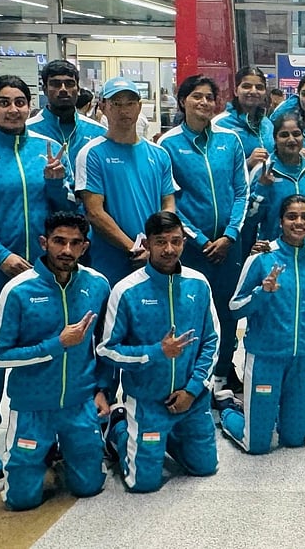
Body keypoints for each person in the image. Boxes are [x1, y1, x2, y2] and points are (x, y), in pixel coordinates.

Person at [0, 75, 74, 479]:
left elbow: (66, 210)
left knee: (46, 348)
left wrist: (56, 184)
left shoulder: (46, 148)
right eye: (4, 102)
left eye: (21, 102)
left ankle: (45, 429)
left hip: (42, 274)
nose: (14, 109)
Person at [0, 211, 111, 510]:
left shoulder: (98, 285)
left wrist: (102, 390)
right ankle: (42, 454)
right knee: (21, 501)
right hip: (32, 406)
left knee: (89, 487)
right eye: (59, 241)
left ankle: (103, 434)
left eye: (75, 243)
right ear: (44, 242)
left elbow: (107, 346)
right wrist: (56, 345)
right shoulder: (18, 290)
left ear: (85, 247)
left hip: (79, 401)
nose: (66, 251)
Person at [98, 211, 219, 493]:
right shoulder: (126, 290)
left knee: (205, 467)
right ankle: (118, 428)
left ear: (184, 243)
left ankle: (170, 435)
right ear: (147, 244)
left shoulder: (198, 283)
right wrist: (156, 352)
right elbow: (107, 350)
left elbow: (212, 341)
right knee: (143, 484)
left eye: (175, 241)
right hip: (148, 400)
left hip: (192, 399)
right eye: (160, 242)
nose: (169, 249)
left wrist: (192, 390)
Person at [158, 75, 250, 395]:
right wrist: (199, 239)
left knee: (227, 312)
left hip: (229, 245)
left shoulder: (230, 141)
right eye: (197, 97)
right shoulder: (168, 145)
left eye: (210, 97)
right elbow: (170, 200)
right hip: (192, 248)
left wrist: (230, 235)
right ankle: (194, 377)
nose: (204, 103)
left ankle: (224, 372)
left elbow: (241, 191)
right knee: (193, 312)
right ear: (182, 101)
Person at [221, 195, 305, 453]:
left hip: (302, 361)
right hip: (266, 358)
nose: (299, 222)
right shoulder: (261, 258)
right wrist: (261, 292)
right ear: (281, 221)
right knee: (256, 445)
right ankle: (229, 413)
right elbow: (234, 308)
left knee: (294, 440)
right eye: (292, 216)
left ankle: (273, 413)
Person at [75, 77, 177, 287]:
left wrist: (158, 247)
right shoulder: (91, 154)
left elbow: (168, 204)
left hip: (155, 259)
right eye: (116, 104)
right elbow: (94, 212)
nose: (124, 110)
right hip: (111, 261)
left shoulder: (159, 154)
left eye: (130, 103)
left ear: (139, 107)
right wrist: (134, 248)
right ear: (103, 107)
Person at [248, 113, 305, 243]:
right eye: (284, 135)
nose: (291, 139)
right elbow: (250, 219)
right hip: (275, 253)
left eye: (296, 134)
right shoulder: (262, 171)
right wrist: (262, 189)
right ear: (275, 139)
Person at [26, 59, 106, 169]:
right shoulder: (27, 131)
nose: (63, 89)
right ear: (45, 89)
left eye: (69, 84)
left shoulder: (98, 132)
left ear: (78, 89)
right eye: (55, 84)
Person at [213, 67, 274, 172]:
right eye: (246, 86)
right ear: (236, 91)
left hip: (266, 187)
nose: (253, 91)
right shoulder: (219, 124)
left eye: (259, 87)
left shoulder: (267, 124)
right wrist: (247, 163)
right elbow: (212, 168)